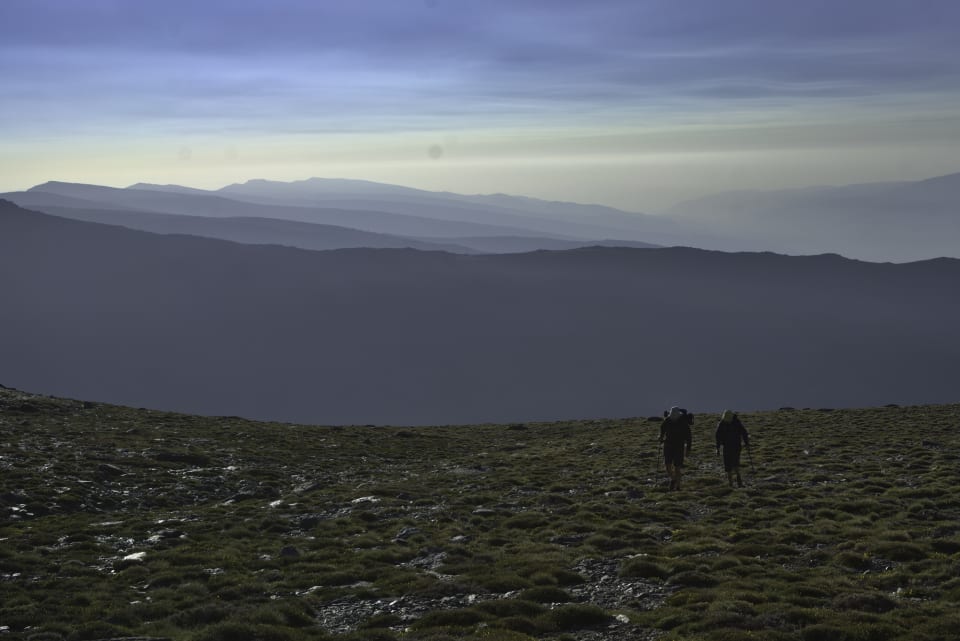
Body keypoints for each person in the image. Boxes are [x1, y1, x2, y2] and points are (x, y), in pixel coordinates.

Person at [659, 406, 693, 490]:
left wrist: (688, 449)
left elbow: (689, 437)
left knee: (677, 467)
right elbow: (662, 430)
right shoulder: (667, 421)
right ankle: (674, 479)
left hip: (678, 446)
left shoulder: (683, 423)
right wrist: (661, 436)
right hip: (669, 445)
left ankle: (678, 486)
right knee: (668, 466)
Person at [715, 410, 750, 487]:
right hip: (729, 446)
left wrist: (746, 443)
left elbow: (744, 432)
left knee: (735, 464)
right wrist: (717, 448)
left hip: (735, 446)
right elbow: (717, 436)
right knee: (729, 465)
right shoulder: (723, 424)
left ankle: (738, 481)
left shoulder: (735, 423)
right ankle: (732, 483)